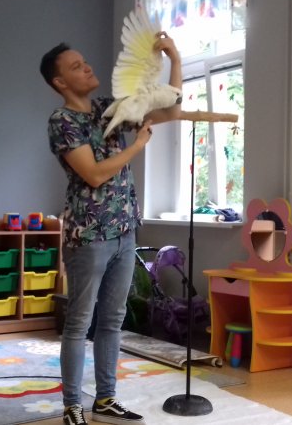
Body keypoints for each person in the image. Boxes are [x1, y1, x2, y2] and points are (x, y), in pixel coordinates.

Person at [40, 32, 181, 425]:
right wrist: (136, 147)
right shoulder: (62, 121)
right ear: (60, 82)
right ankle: (72, 405)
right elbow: (94, 174)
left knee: (112, 320)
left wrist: (175, 60)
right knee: (79, 322)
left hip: (124, 231)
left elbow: (169, 110)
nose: (87, 67)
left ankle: (105, 399)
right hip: (88, 236)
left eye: (84, 61)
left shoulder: (106, 109)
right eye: (76, 66)